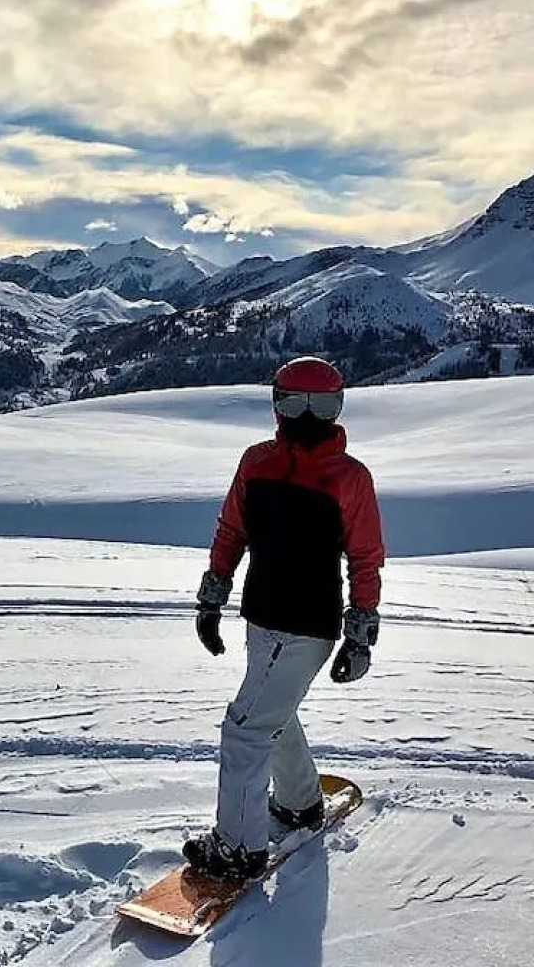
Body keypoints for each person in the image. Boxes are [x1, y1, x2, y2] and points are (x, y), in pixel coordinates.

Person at [182, 355, 385, 881]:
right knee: (274, 711)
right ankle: (298, 803)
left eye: (321, 406)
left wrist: (360, 632)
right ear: (278, 405)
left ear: (338, 409)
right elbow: (232, 530)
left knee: (245, 730)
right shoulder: (257, 463)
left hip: (307, 625)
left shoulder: (349, 477)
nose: (307, 417)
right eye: (296, 403)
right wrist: (213, 595)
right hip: (262, 615)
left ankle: (239, 848)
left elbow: (366, 556)